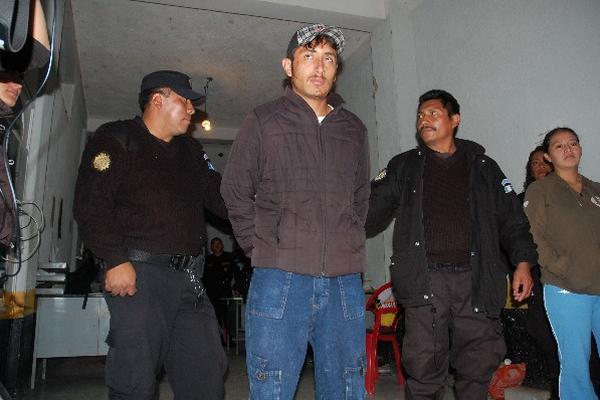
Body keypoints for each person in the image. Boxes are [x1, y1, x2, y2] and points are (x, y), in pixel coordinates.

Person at [221, 23, 370, 399]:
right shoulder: (263, 120)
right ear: (288, 66)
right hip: (280, 277)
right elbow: (235, 190)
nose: (319, 66)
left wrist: (349, 240)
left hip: (343, 281)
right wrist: (260, 248)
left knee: (347, 386)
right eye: (308, 56)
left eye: (329, 58)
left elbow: (360, 196)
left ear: (336, 70)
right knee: (271, 386)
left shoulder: (354, 129)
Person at [366, 89, 537, 399]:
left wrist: (523, 263)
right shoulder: (404, 166)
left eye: (433, 113)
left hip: (476, 279)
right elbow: (369, 214)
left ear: (454, 119)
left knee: (478, 362)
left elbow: (512, 219)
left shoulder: (484, 167)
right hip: (424, 279)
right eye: (420, 115)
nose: (424, 120)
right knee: (423, 364)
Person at [73, 70, 228, 400]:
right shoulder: (118, 137)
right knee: (135, 379)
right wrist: (114, 259)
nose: (192, 109)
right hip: (139, 275)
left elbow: (222, 199)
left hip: (189, 279)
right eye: (185, 100)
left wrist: (268, 205)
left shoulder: (190, 151)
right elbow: (91, 204)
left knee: (207, 374)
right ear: (158, 99)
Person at [524, 127, 600, 399]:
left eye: (573, 143)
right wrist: (561, 266)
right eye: (559, 145)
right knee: (576, 362)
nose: (568, 149)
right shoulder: (541, 190)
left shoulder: (595, 189)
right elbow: (532, 236)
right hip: (566, 287)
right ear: (548, 156)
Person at [203, 237, 237, 340]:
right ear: (211, 247)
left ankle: (229, 337)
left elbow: (236, 273)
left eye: (219, 243)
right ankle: (219, 337)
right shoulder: (208, 259)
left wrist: (236, 287)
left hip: (225, 290)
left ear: (222, 245)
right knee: (215, 315)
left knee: (228, 315)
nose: (217, 245)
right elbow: (204, 277)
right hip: (212, 291)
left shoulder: (229, 257)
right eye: (214, 244)